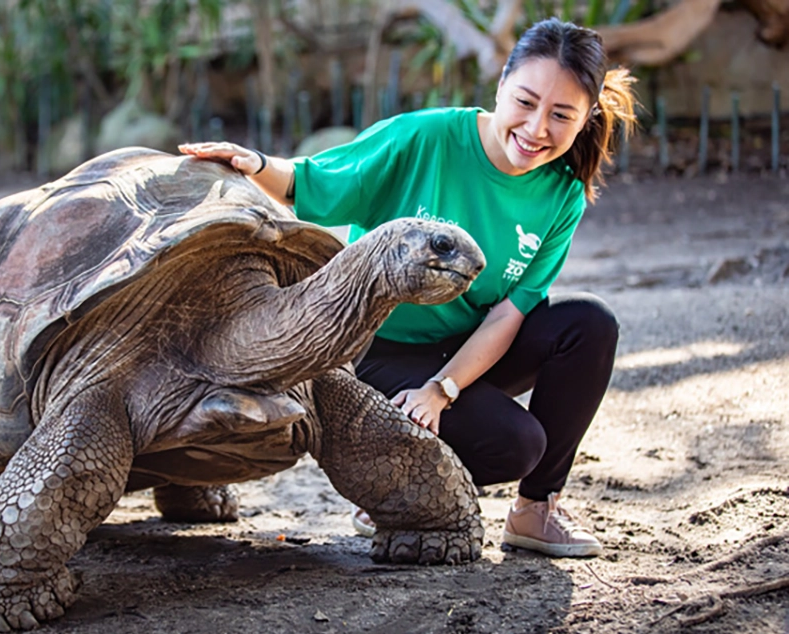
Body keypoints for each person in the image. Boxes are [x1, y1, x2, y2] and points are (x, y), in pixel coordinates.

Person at [179, 17, 637, 558]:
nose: (537, 128)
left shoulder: (562, 192)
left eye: (561, 115)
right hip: (379, 349)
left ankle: (536, 511)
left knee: (589, 324)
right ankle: (393, 488)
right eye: (526, 102)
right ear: (500, 86)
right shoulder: (425, 138)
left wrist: (442, 389)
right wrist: (253, 163)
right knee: (516, 445)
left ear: (585, 120)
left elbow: (509, 314)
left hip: (464, 350)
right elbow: (313, 182)